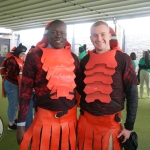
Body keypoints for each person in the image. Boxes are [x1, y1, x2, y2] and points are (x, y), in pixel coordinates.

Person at [17, 20, 80, 150]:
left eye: (62, 33)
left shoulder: (74, 57)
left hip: (70, 122)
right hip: (44, 122)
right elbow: (25, 92)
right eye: (54, 32)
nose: (59, 36)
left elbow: (80, 89)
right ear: (47, 34)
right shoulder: (34, 57)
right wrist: (20, 125)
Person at [77, 20, 138, 150]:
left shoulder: (123, 59)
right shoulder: (85, 60)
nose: (99, 39)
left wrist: (129, 127)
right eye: (95, 35)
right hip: (85, 123)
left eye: (103, 34)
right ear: (90, 38)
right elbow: (80, 89)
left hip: (111, 124)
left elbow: (132, 94)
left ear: (110, 35)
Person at [0, 43, 27, 130]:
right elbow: (12, 74)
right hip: (12, 84)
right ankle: (11, 124)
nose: (24, 54)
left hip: (14, 83)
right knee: (13, 104)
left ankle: (14, 119)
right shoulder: (11, 60)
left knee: (15, 103)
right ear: (19, 52)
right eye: (23, 53)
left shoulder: (16, 58)